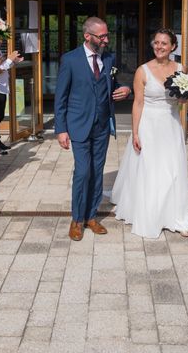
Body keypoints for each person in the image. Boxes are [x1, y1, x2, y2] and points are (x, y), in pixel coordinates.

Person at [111, 29, 188, 238]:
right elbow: (138, 103)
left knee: (173, 170)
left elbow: (182, 102)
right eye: (156, 42)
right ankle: (150, 215)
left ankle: (176, 216)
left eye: (164, 43)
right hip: (148, 124)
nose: (159, 46)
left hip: (170, 124)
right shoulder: (142, 71)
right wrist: (135, 132)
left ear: (173, 46)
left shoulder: (180, 68)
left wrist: (187, 92)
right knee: (150, 171)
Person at [54, 16, 131, 241]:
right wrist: (61, 129)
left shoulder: (109, 58)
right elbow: (61, 97)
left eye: (107, 35)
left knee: (97, 172)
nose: (106, 40)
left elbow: (114, 84)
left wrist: (125, 89)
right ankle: (77, 219)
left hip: (102, 126)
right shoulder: (70, 60)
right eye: (102, 36)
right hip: (78, 125)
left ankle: (91, 216)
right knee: (83, 172)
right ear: (88, 36)